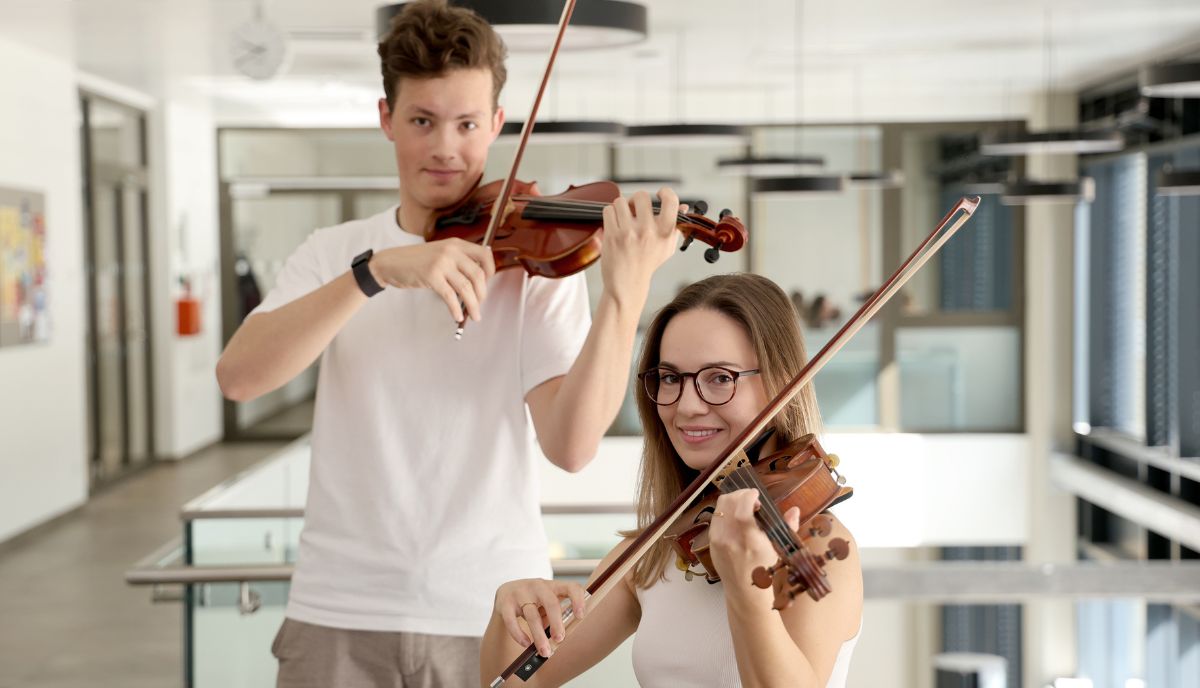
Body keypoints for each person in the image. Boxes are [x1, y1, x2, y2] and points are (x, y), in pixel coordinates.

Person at [215, 1, 682, 686]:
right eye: (423, 121)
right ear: (387, 119)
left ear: (496, 123)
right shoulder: (335, 252)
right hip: (340, 610)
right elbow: (240, 378)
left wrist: (624, 295)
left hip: (491, 611)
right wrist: (373, 273)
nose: (445, 147)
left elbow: (573, 446)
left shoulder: (537, 267)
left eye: (467, 124)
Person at [481, 273, 863, 688]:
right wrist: (507, 614)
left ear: (781, 381)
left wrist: (747, 587)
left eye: (720, 378)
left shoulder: (821, 547)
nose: (687, 406)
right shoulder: (657, 549)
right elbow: (518, 683)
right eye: (670, 378)